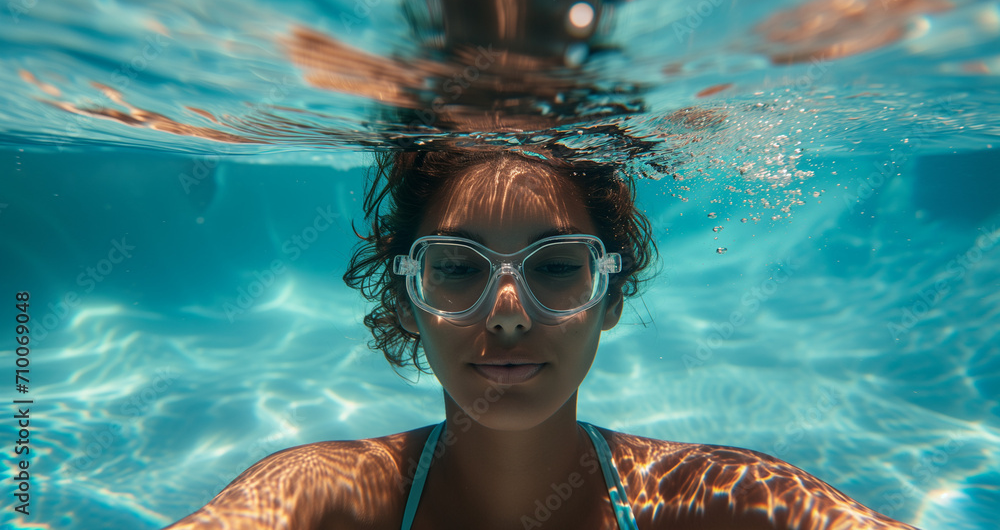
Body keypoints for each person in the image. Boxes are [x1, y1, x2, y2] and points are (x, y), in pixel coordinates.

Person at [165, 149, 921, 530]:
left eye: (557, 267)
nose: (506, 313)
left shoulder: (719, 504)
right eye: (456, 267)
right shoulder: (320, 500)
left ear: (611, 295)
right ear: (407, 298)